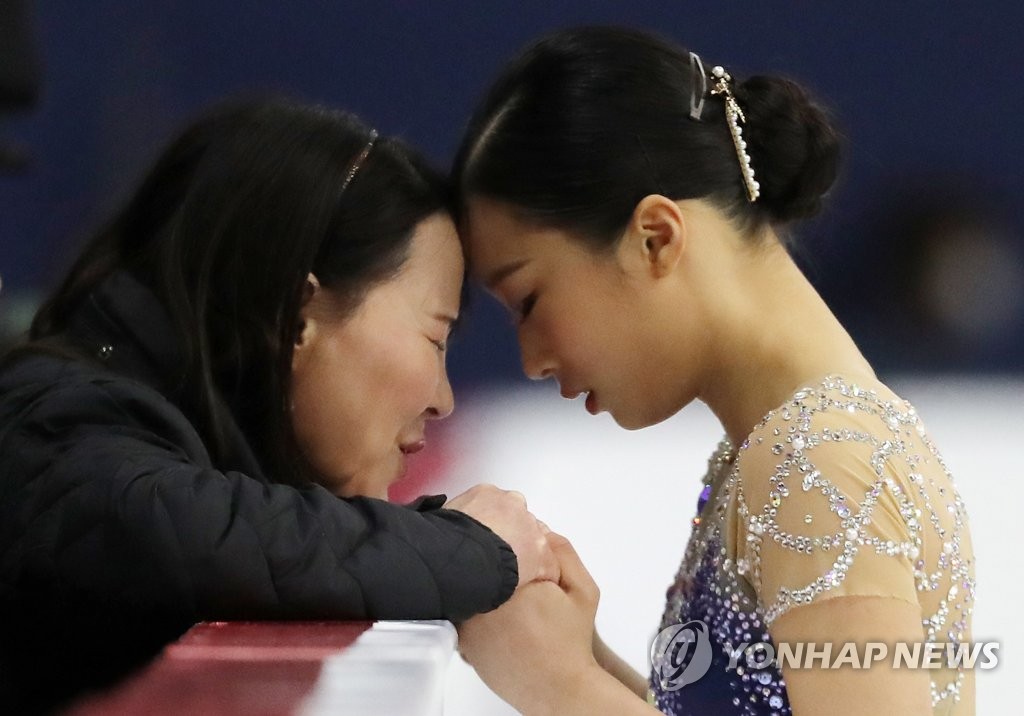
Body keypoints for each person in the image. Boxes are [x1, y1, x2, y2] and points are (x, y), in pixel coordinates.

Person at [452, 26, 976, 716]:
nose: (532, 358)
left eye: (528, 300)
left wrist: (557, 686)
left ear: (655, 237)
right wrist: (587, 664)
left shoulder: (821, 461)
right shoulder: (789, 447)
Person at [0, 99, 556, 713]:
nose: (443, 399)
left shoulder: (138, 423)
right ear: (297, 316)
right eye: (435, 337)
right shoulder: (52, 426)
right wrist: (472, 548)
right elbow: (198, 535)